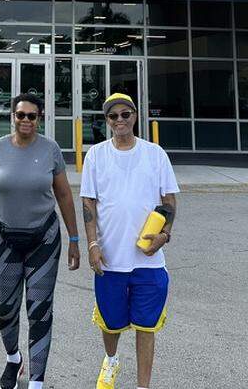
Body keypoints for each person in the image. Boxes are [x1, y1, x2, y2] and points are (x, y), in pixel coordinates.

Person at [0, 93, 81, 389]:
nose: (26, 121)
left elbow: (65, 195)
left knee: (39, 309)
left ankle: (37, 381)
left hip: (44, 239)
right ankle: (13, 357)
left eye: (32, 116)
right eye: (21, 115)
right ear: (13, 118)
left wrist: (74, 238)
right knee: (6, 306)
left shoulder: (50, 150)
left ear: (39, 118)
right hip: (4, 238)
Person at [81, 92, 179, 389]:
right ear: (107, 121)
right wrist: (92, 244)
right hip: (110, 259)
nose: (120, 120)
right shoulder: (96, 155)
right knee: (111, 322)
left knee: (146, 326)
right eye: (114, 116)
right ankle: (111, 360)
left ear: (135, 116)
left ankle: (142, 386)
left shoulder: (155, 154)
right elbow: (88, 202)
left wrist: (164, 235)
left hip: (148, 259)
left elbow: (169, 200)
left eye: (126, 114)